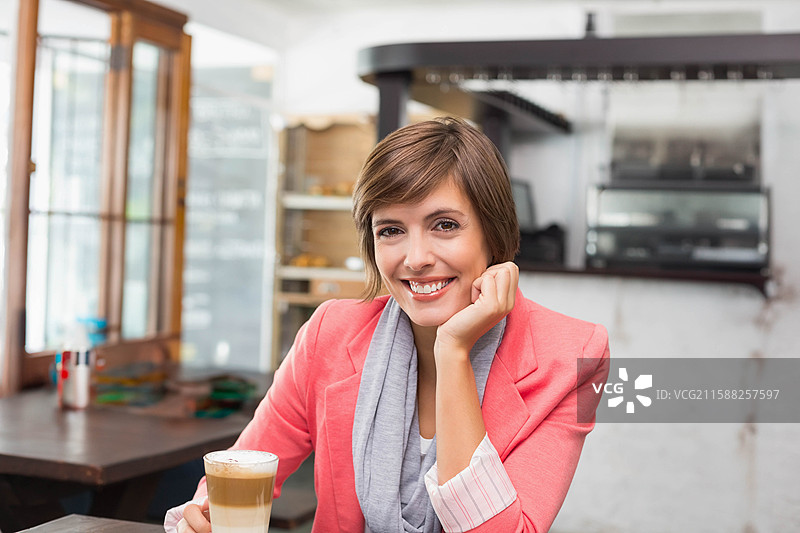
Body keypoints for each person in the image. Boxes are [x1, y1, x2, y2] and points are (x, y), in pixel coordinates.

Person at [165, 116, 610, 533]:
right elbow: (241, 467)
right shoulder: (330, 333)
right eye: (391, 230)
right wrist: (198, 515)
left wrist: (454, 352)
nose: (415, 258)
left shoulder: (573, 356)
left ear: (493, 234)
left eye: (445, 225)